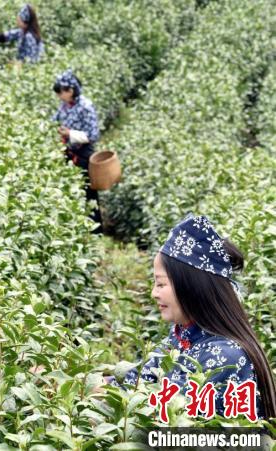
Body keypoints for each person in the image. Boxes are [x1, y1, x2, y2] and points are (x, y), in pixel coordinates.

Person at [110, 215, 275, 419]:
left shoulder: (226, 357)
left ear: (191, 287)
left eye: (161, 284)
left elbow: (166, 420)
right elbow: (134, 380)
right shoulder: (181, 337)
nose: (154, 293)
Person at [51, 69, 101, 230]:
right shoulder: (64, 106)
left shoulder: (86, 106)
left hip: (83, 154)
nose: (59, 96)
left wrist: (70, 133)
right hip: (67, 152)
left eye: (61, 92)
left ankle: (94, 229)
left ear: (70, 91)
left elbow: (93, 134)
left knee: (88, 192)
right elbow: (54, 121)